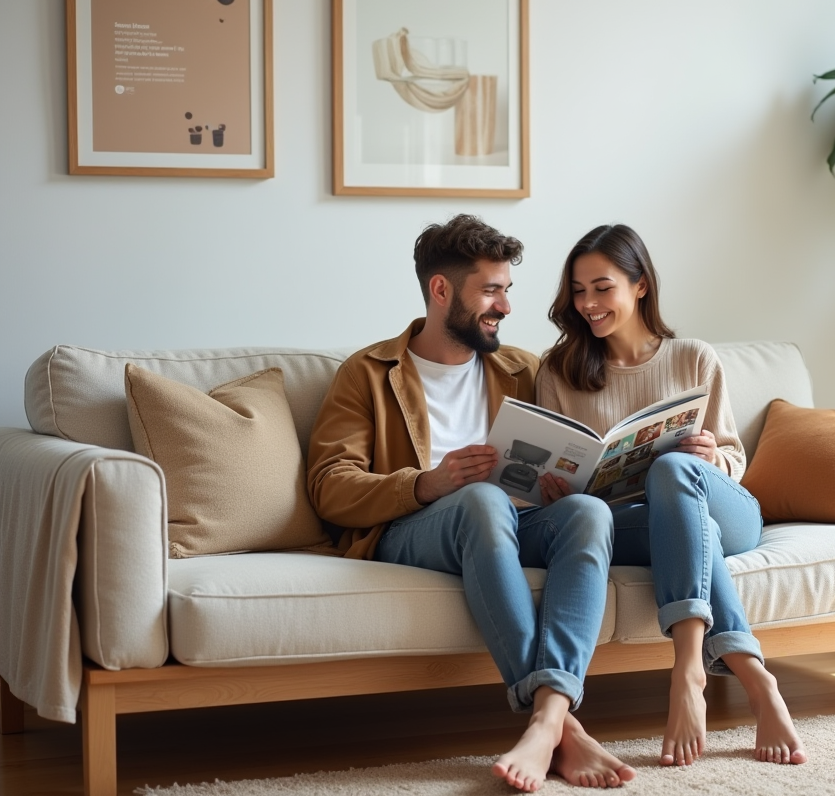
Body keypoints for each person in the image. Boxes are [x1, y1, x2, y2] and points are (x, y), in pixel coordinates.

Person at [307, 215, 635, 792]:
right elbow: (330, 486)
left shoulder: (523, 370)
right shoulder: (369, 372)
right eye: (490, 289)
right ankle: (561, 723)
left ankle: (551, 721)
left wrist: (568, 486)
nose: (505, 306)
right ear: (441, 290)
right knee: (482, 499)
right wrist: (425, 484)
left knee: (588, 513)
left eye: (507, 290)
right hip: (412, 528)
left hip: (517, 520)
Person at [535, 224, 807, 768]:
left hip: (724, 509)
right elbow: (561, 461)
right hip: (632, 525)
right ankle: (756, 678)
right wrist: (555, 489)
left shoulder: (695, 359)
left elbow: (735, 460)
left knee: (674, 471)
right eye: (578, 290)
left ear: (640, 286)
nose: (588, 303)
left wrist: (711, 457)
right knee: (688, 526)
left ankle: (687, 670)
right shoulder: (559, 370)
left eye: (602, 287)